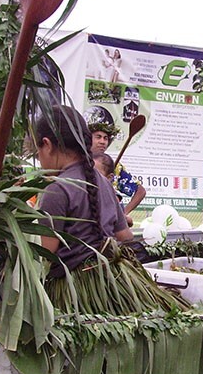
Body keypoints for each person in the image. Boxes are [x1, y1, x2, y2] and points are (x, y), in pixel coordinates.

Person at [35, 106, 135, 276]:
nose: (39, 158)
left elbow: (45, 255)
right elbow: (125, 237)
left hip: (70, 290)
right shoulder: (104, 182)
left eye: (38, 152)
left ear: (47, 145)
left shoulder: (56, 190)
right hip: (110, 281)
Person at [87, 117, 147, 223]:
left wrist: (123, 214)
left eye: (105, 138)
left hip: (112, 224)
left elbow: (140, 191)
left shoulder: (115, 168)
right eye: (98, 137)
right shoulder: (79, 163)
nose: (102, 141)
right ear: (88, 139)